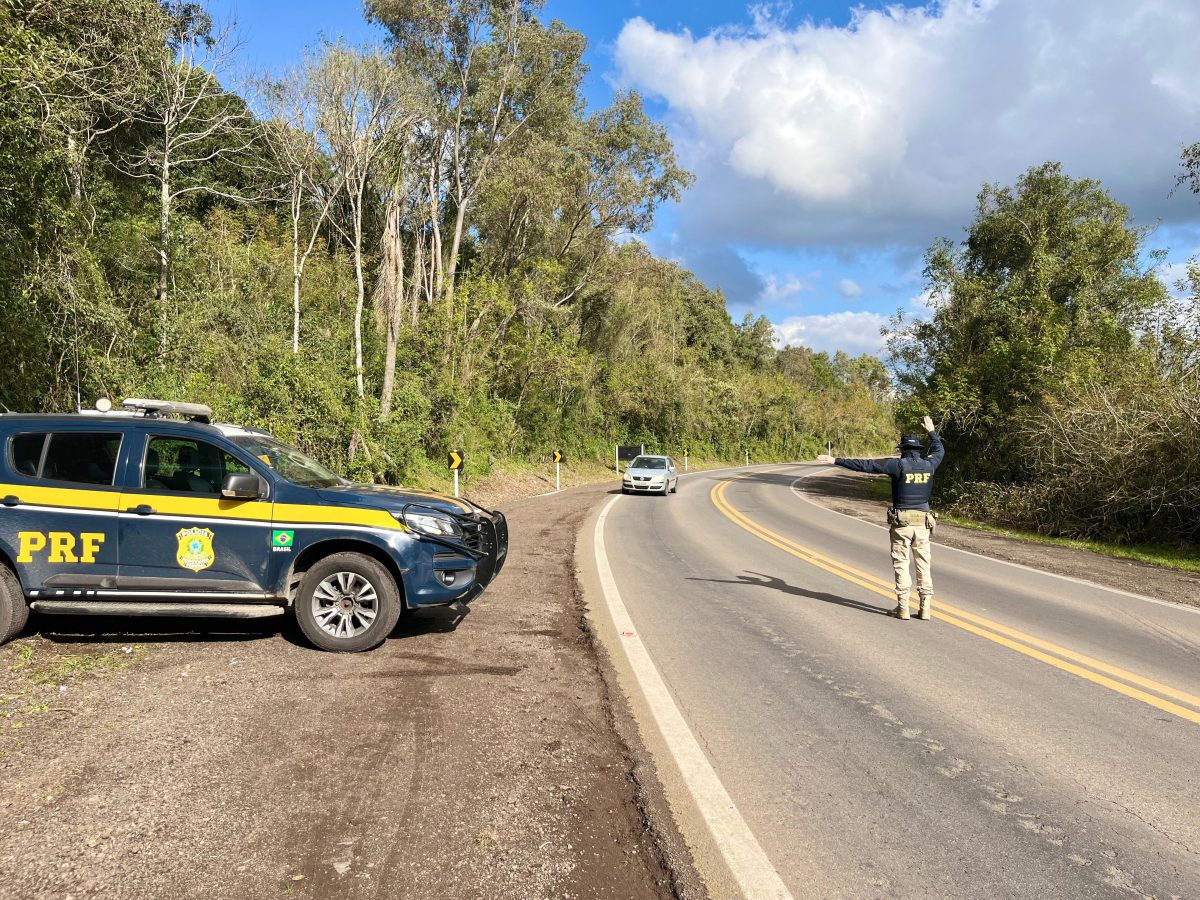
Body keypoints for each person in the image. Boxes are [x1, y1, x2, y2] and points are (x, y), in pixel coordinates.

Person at [816, 416, 945, 620]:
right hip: (923, 524)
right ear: (919, 450)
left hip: (902, 524)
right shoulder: (930, 465)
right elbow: (940, 451)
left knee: (901, 563)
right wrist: (931, 432)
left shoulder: (897, 466)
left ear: (902, 449)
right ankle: (925, 607)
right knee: (923, 564)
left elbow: (867, 465)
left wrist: (836, 460)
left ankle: (903, 607)